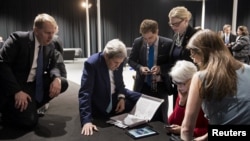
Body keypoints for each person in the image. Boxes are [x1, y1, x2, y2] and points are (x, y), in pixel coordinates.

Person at [0, 13, 69, 130]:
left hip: (34, 84)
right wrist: (17, 91)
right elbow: (2, 64)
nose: (51, 36)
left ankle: (30, 106)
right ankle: (8, 111)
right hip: (16, 85)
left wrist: (56, 78)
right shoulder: (18, 39)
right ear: (36, 30)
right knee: (30, 122)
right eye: (48, 33)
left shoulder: (50, 45)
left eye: (53, 33)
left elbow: (53, 66)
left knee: (63, 82)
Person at [181, 29, 250, 141]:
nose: (193, 59)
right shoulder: (248, 70)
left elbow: (186, 129)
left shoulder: (200, 77)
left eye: (193, 53)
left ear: (202, 52)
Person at [79, 39, 141, 136]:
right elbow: (85, 93)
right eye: (115, 62)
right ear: (106, 56)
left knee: (144, 100)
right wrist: (86, 121)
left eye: (120, 63)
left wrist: (121, 97)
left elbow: (120, 83)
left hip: (115, 96)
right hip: (100, 102)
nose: (118, 66)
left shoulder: (118, 61)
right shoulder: (92, 63)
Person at [128, 19, 173, 124]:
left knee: (162, 118)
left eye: (150, 38)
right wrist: (140, 68)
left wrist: (161, 69)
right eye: (145, 38)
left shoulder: (168, 43)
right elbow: (130, 60)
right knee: (140, 117)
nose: (148, 41)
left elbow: (173, 64)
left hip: (160, 86)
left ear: (157, 31)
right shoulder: (138, 42)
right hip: (142, 85)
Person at [167, 60, 208, 138]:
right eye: (176, 83)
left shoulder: (204, 97)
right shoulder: (183, 94)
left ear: (193, 79)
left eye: (182, 83)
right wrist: (181, 103)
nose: (179, 87)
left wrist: (185, 130)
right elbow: (171, 122)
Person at [168, 6, 198, 108]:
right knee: (177, 113)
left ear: (186, 20)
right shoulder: (176, 36)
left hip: (191, 84)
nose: (173, 27)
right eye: (171, 24)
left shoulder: (196, 35)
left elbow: (200, 62)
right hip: (178, 83)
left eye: (176, 24)